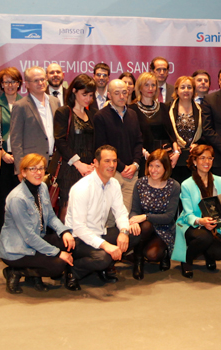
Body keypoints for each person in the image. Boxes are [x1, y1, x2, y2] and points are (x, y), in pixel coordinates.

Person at [66, 145, 152, 286]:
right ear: (96, 163)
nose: (112, 165)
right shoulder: (81, 188)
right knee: (103, 257)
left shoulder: (114, 184)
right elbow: (79, 228)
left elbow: (120, 213)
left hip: (100, 233)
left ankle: (101, 267)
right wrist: (106, 246)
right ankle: (73, 271)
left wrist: (124, 232)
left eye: (114, 161)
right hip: (79, 239)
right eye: (107, 161)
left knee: (134, 233)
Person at [0, 153, 76, 293]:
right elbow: (29, 237)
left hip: (35, 241)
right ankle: (15, 272)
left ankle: (34, 275)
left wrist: (64, 231)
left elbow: (51, 216)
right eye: (33, 169)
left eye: (41, 168)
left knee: (70, 243)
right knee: (58, 264)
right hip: (17, 250)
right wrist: (57, 253)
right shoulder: (17, 198)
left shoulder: (42, 188)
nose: (38, 172)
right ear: (23, 172)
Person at [172, 144, 221, 278]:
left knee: (220, 253)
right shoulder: (186, 184)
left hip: (212, 225)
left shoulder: (219, 181)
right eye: (202, 158)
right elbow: (188, 214)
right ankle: (187, 260)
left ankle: (207, 253)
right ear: (194, 161)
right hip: (191, 224)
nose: (207, 162)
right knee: (204, 237)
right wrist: (201, 221)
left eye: (210, 158)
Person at [128, 149, 181, 276]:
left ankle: (164, 254)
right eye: (150, 165)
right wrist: (133, 220)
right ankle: (138, 259)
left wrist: (145, 216)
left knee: (153, 255)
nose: (153, 170)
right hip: (144, 227)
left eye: (157, 166)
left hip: (164, 228)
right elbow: (134, 210)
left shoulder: (174, 186)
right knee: (146, 225)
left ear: (165, 167)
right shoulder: (140, 183)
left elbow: (169, 217)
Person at [93, 79, 143, 211]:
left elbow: (139, 141)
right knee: (108, 215)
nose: (121, 96)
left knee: (125, 214)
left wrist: (135, 164)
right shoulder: (100, 116)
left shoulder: (133, 114)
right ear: (109, 95)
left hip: (131, 173)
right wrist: (121, 167)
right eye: (117, 93)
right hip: (111, 172)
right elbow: (101, 146)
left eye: (124, 92)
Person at [53, 74, 97, 221]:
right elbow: (60, 142)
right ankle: (65, 242)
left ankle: (81, 243)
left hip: (89, 169)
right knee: (67, 209)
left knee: (86, 211)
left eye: (91, 95)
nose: (88, 98)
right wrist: (78, 164)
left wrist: (93, 164)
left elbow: (95, 142)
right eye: (84, 94)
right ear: (73, 91)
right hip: (70, 167)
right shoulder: (64, 112)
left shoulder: (92, 114)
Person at [0, 67, 24, 240]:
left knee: (21, 198)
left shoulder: (26, 102)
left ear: (19, 84)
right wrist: (2, 153)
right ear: (1, 85)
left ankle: (21, 235)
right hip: (0, 157)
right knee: (2, 198)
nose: (10, 85)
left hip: (21, 157)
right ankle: (4, 236)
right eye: (6, 82)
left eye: (14, 81)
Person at [10, 66, 61, 178]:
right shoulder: (20, 106)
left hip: (54, 163)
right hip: (31, 165)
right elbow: (16, 140)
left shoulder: (55, 102)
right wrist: (20, 169)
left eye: (43, 79)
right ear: (27, 84)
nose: (40, 83)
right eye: (36, 81)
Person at [167, 75, 205, 183]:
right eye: (182, 87)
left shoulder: (202, 109)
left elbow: (206, 132)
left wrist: (198, 144)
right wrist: (174, 144)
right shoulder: (168, 108)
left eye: (189, 87)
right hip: (174, 159)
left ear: (193, 90)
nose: (186, 90)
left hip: (194, 158)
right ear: (177, 90)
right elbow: (166, 132)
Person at [131, 72, 172, 162]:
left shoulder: (163, 107)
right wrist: (144, 153)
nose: (150, 88)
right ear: (140, 87)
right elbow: (131, 137)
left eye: (153, 85)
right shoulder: (132, 110)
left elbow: (170, 133)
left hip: (162, 157)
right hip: (141, 157)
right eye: (146, 85)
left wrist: (176, 152)